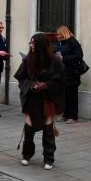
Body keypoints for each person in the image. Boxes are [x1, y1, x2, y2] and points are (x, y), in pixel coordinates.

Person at [14, 33, 65, 170]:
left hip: (47, 98)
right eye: (30, 42)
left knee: (48, 127)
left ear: (41, 45)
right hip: (32, 98)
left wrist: (46, 85)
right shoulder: (28, 60)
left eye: (33, 43)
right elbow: (21, 78)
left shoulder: (55, 61)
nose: (31, 45)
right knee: (29, 127)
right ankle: (26, 154)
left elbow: (60, 81)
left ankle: (48, 158)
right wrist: (31, 85)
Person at [55, 25, 84, 123]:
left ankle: (73, 116)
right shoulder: (60, 43)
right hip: (63, 72)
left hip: (72, 72)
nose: (57, 36)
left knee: (72, 95)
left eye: (59, 34)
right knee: (65, 95)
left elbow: (79, 55)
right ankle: (66, 115)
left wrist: (64, 58)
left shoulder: (72, 41)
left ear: (64, 33)